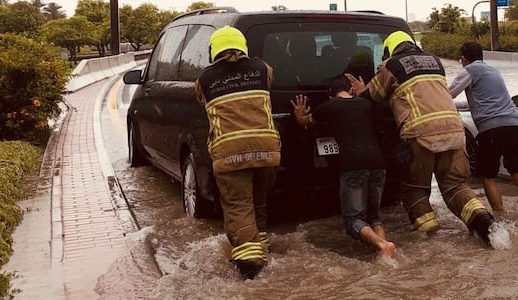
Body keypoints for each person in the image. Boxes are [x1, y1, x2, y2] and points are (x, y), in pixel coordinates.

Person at [346, 31, 498, 245]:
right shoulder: (435, 62)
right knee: (456, 186)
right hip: (455, 132)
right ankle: (487, 225)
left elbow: (372, 97)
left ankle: (431, 243)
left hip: (419, 134)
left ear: (389, 50)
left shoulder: (392, 65)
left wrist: (361, 90)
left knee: (414, 191)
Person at [195, 26, 281, 279]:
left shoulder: (204, 80)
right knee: (258, 200)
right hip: (267, 149)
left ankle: (250, 260)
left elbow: (202, 102)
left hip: (229, 152)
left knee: (238, 204)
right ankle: (261, 245)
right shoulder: (262, 68)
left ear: (213, 50)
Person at [448, 41, 518, 222]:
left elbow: (448, 94)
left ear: (464, 60)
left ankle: (500, 218)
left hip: (492, 130)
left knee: (488, 177)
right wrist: (457, 106)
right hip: (513, 126)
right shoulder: (493, 71)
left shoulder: (469, 71)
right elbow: (482, 101)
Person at [291, 75, 396, 258]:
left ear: (330, 95)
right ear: (350, 90)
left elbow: (306, 122)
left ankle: (382, 244)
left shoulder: (328, 107)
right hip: (378, 162)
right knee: (374, 217)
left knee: (353, 220)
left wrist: (299, 114)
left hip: (353, 165)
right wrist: (363, 91)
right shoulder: (366, 104)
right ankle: (386, 256)